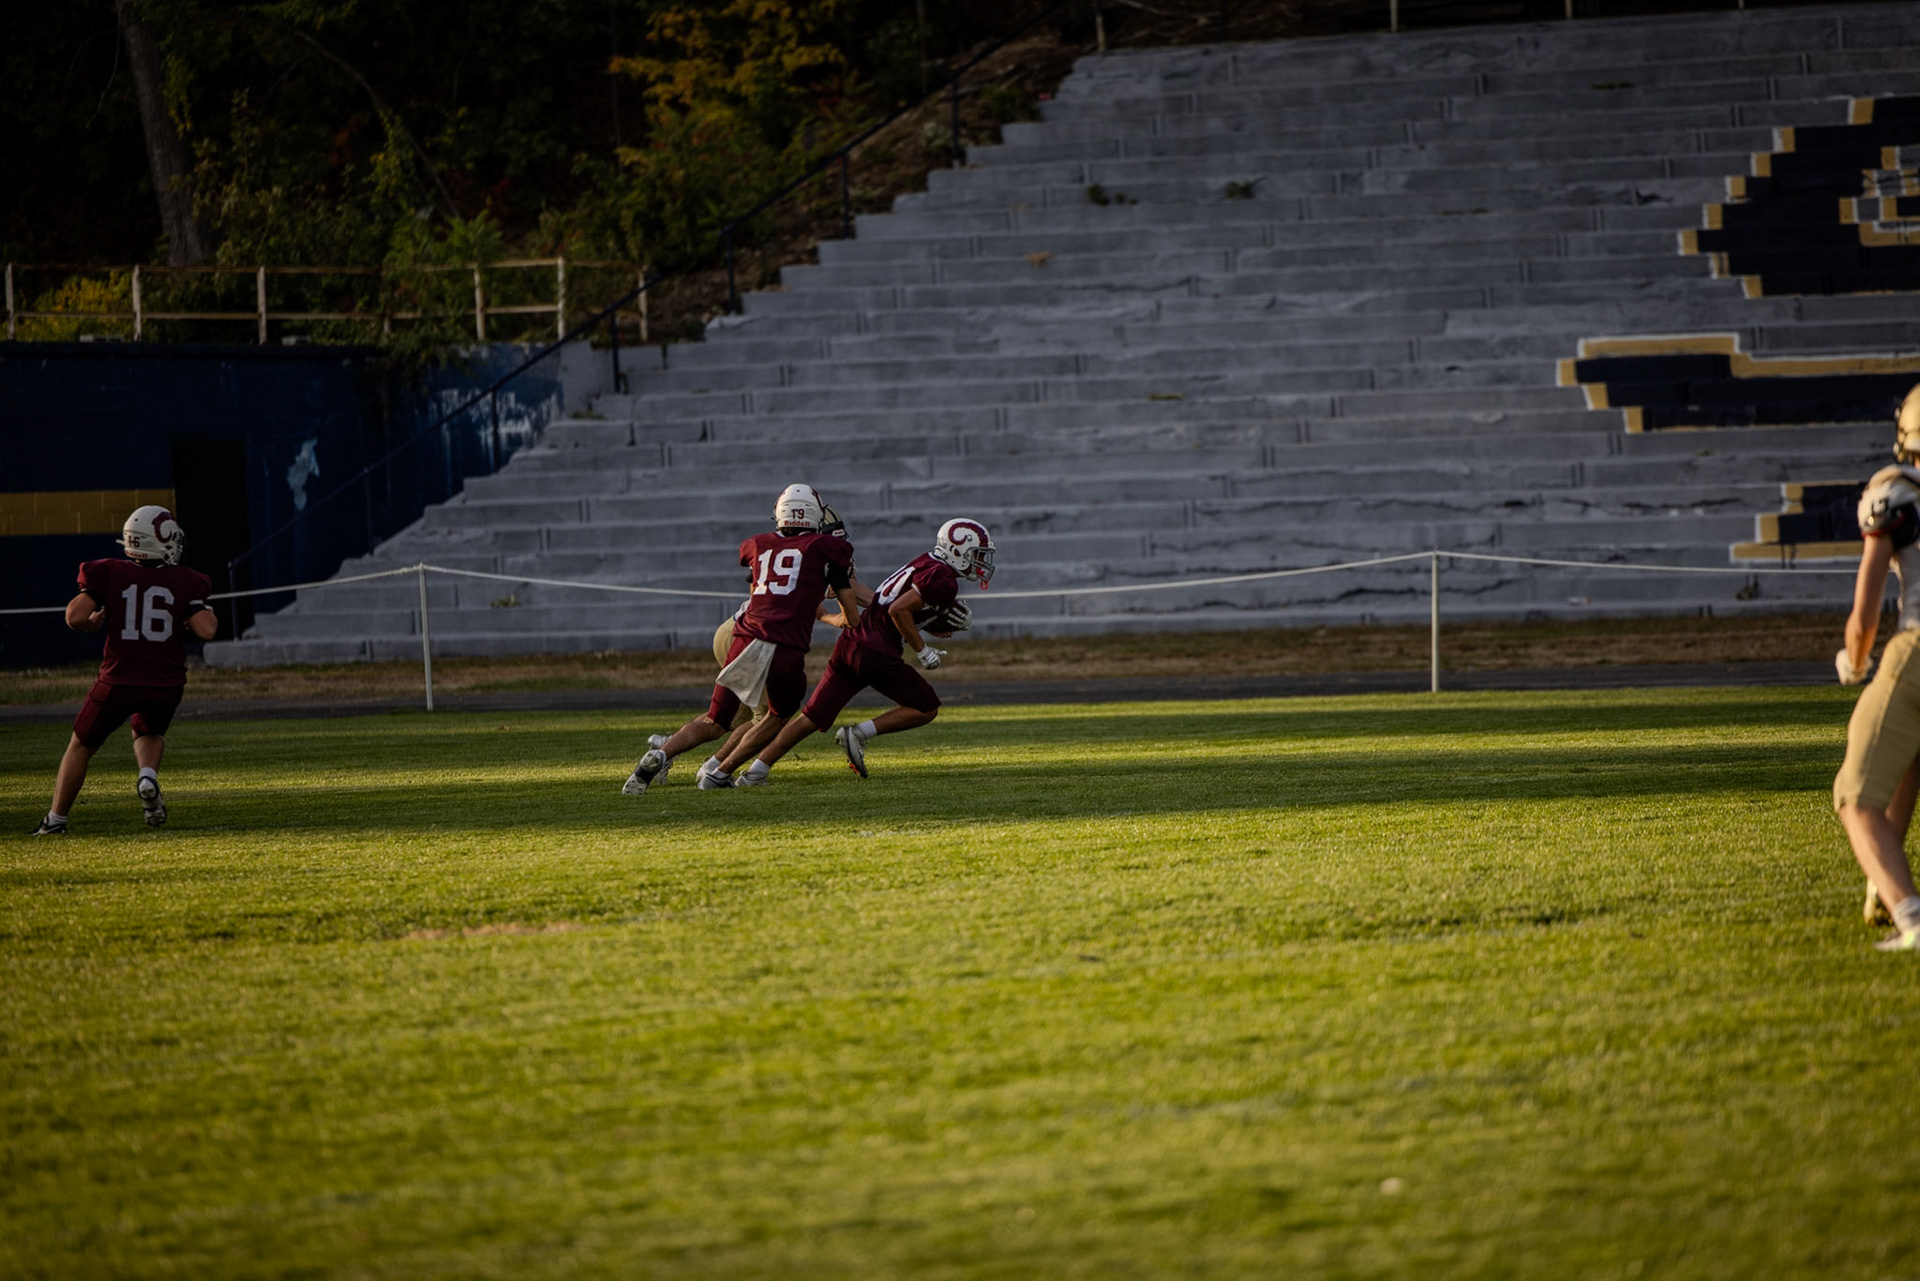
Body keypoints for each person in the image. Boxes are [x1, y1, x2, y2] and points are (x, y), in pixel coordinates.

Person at [711, 517, 993, 788]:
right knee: (926, 707)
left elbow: (887, 603)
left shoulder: (926, 561)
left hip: (852, 641)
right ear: (958, 550)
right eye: (977, 555)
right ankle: (858, 734)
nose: (980, 562)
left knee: (811, 717)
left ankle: (753, 771)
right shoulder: (944, 579)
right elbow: (897, 609)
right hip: (877, 650)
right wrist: (921, 648)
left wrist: (927, 622)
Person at [622, 484, 860, 794]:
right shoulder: (828, 549)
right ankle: (719, 773)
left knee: (715, 720)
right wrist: (836, 615)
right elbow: (852, 616)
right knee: (778, 715)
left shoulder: (757, 545)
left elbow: (759, 594)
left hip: (744, 637)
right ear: (814, 514)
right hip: (784, 645)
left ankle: (660, 754)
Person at [32, 505, 217, 835]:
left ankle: (55, 820)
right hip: (165, 682)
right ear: (161, 540)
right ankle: (147, 776)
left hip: (118, 679)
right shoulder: (186, 581)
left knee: (81, 747)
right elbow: (207, 631)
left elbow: (74, 616)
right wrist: (201, 612)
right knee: (148, 732)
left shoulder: (108, 572)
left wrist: (91, 624)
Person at [1835, 383, 1920, 950]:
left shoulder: (1897, 491)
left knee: (1855, 797)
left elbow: (1865, 614)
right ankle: (1883, 886)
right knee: (1906, 769)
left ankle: (1913, 919)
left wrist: (1855, 658)